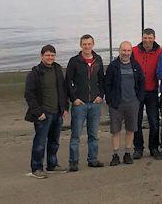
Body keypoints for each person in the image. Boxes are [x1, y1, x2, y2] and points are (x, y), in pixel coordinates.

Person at [25, 44, 69, 179]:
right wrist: (39, 112)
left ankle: (52, 165)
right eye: (47, 55)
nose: (50, 57)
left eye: (52, 55)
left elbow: (63, 90)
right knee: (40, 142)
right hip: (43, 114)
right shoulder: (35, 73)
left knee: (54, 141)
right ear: (42, 56)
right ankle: (36, 168)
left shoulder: (57, 69)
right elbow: (29, 95)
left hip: (57, 112)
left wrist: (65, 107)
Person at [65, 34, 106, 170]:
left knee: (93, 134)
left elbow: (102, 80)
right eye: (84, 44)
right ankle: (73, 162)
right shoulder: (74, 61)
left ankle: (93, 159)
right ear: (81, 45)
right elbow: (68, 82)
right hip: (79, 104)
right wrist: (74, 98)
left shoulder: (98, 59)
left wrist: (101, 95)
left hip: (95, 103)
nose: (87, 46)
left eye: (89, 44)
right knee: (76, 135)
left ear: (93, 44)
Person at [104, 41, 145, 167]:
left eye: (128, 51)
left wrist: (138, 99)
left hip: (132, 103)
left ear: (131, 52)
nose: (126, 53)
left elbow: (141, 82)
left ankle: (127, 153)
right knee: (115, 131)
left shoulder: (135, 65)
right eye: (124, 51)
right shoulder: (113, 66)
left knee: (130, 129)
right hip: (116, 104)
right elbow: (107, 84)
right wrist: (110, 100)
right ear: (119, 51)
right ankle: (115, 155)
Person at [131, 28, 162, 159]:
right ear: (142, 38)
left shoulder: (159, 52)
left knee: (154, 122)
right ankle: (138, 148)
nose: (147, 40)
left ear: (154, 38)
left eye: (150, 38)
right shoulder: (133, 50)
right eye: (145, 38)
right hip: (136, 92)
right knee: (136, 122)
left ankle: (154, 147)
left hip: (152, 91)